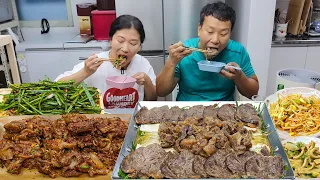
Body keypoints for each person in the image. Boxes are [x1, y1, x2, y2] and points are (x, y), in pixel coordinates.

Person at [156, 2, 259, 101]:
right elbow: (161, 91)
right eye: (210, 32)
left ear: (230, 34)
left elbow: (253, 93)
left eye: (223, 34)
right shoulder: (184, 51)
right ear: (199, 29)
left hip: (224, 112)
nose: (215, 40)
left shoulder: (238, 52)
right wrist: (171, 62)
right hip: (187, 112)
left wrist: (240, 78)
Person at [56, 15, 157, 109]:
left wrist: (148, 82)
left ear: (140, 46)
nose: (125, 49)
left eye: (133, 43)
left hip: (133, 120)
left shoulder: (142, 63)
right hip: (100, 121)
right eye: (120, 41)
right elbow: (56, 88)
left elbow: (152, 100)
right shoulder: (96, 63)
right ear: (110, 40)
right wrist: (85, 72)